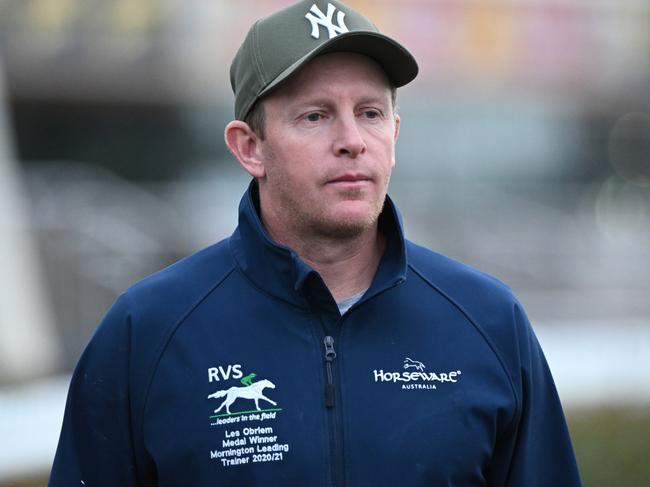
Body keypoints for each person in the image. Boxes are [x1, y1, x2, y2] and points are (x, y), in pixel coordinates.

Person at [49, 1, 582, 486]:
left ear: (394, 132)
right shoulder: (147, 330)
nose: (352, 140)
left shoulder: (488, 321)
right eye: (315, 116)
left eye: (370, 113)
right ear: (250, 148)